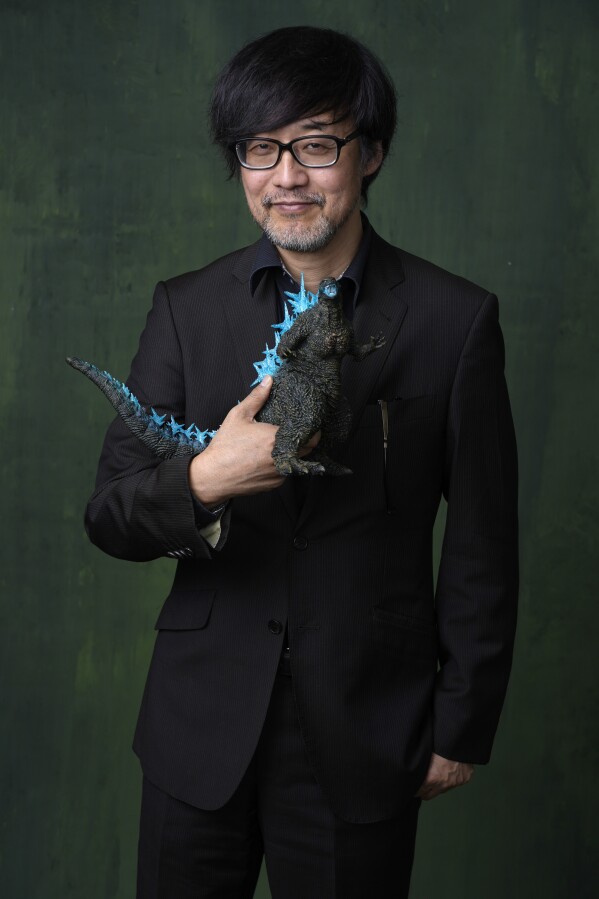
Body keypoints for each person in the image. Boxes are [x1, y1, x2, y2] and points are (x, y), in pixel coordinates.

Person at [85, 25, 519, 899]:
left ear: (371, 155)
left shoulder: (454, 319)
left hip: (367, 723)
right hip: (196, 722)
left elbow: (482, 541)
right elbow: (112, 513)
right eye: (260, 149)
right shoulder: (184, 309)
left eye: (317, 145)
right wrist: (210, 477)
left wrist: (460, 721)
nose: (287, 175)